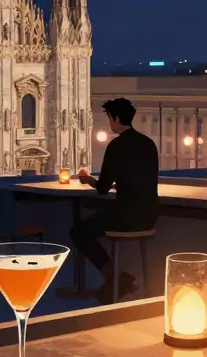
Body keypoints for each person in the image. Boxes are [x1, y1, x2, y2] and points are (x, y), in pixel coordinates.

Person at [65, 97, 159, 304]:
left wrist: (87, 179)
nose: (109, 123)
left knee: (79, 231)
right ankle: (118, 279)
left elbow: (101, 189)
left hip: (127, 217)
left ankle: (115, 276)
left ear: (116, 118)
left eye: (109, 118)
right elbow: (143, 178)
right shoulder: (148, 143)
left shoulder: (116, 146)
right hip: (150, 214)